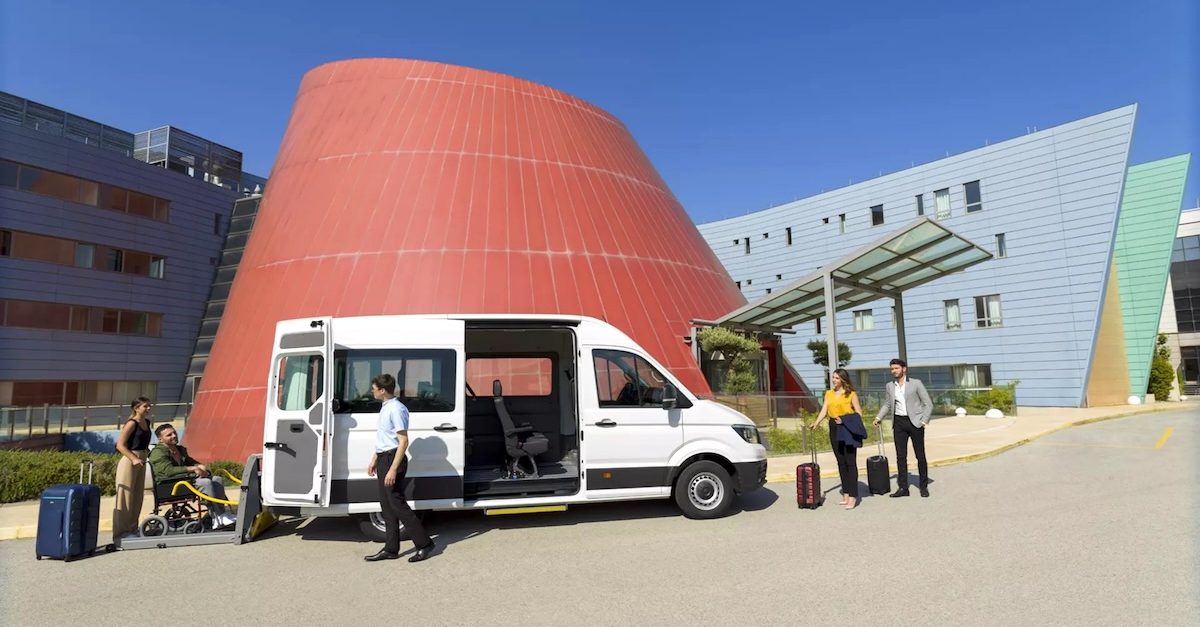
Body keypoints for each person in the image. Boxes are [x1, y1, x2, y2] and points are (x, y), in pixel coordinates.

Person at [364, 374, 436, 563]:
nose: (372, 390)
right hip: (383, 458)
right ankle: (391, 549)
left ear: (382, 390)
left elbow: (403, 441)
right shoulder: (385, 407)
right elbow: (384, 438)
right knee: (386, 507)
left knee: (398, 505)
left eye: (374, 388)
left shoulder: (396, 409)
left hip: (392, 460)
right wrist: (374, 459)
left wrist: (392, 469)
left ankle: (424, 544)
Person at [148, 424, 237, 529]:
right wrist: (192, 469)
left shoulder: (179, 450)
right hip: (169, 485)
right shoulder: (157, 453)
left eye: (174, 433)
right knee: (206, 483)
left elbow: (191, 462)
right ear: (160, 439)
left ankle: (221, 514)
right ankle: (216, 517)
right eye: (169, 435)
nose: (174, 436)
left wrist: (200, 467)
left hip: (184, 480)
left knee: (217, 479)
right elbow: (168, 471)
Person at [873, 358, 934, 497]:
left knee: (920, 455)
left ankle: (923, 486)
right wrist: (878, 417)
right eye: (892, 369)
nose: (894, 371)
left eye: (896, 368)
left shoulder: (916, 383)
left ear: (904, 369)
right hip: (899, 422)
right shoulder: (890, 386)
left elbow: (928, 403)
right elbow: (888, 404)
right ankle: (903, 488)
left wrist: (923, 421)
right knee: (901, 456)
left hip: (915, 422)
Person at [810, 369, 865, 510]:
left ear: (843, 380)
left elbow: (859, 412)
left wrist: (846, 420)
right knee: (841, 462)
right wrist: (816, 423)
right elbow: (824, 409)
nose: (833, 380)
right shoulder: (828, 393)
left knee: (850, 462)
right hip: (834, 426)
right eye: (833, 377)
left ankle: (853, 496)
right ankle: (846, 493)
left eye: (836, 378)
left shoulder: (851, 394)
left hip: (847, 428)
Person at [113, 396, 153, 538]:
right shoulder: (132, 423)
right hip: (130, 460)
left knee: (137, 496)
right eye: (145, 406)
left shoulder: (147, 422)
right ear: (136, 408)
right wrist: (134, 458)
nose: (148, 409)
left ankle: (132, 528)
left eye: (149, 406)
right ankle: (121, 532)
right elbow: (120, 445)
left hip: (142, 459)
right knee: (126, 496)